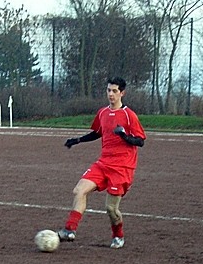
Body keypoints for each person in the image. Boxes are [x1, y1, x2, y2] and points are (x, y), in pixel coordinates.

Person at [58, 77, 146, 249]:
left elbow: (140, 141)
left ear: (122, 93)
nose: (111, 94)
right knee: (79, 190)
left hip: (122, 168)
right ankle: (70, 229)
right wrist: (77, 140)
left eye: (114, 91)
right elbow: (97, 132)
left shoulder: (130, 116)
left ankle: (118, 236)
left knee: (111, 209)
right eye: (108, 90)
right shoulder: (103, 113)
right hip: (103, 163)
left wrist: (124, 136)